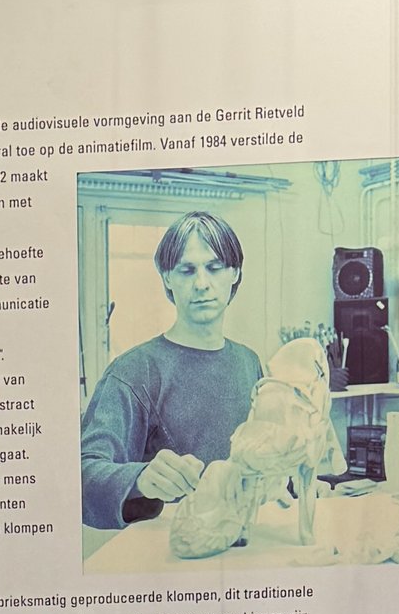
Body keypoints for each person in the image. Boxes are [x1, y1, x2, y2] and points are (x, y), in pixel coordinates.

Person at [80, 212, 263, 529]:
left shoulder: (250, 362)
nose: (202, 284)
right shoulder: (134, 371)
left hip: (242, 545)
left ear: (234, 272)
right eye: (187, 270)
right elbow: (82, 476)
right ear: (167, 277)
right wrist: (140, 478)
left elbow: (261, 456)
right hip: (168, 557)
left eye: (214, 267)